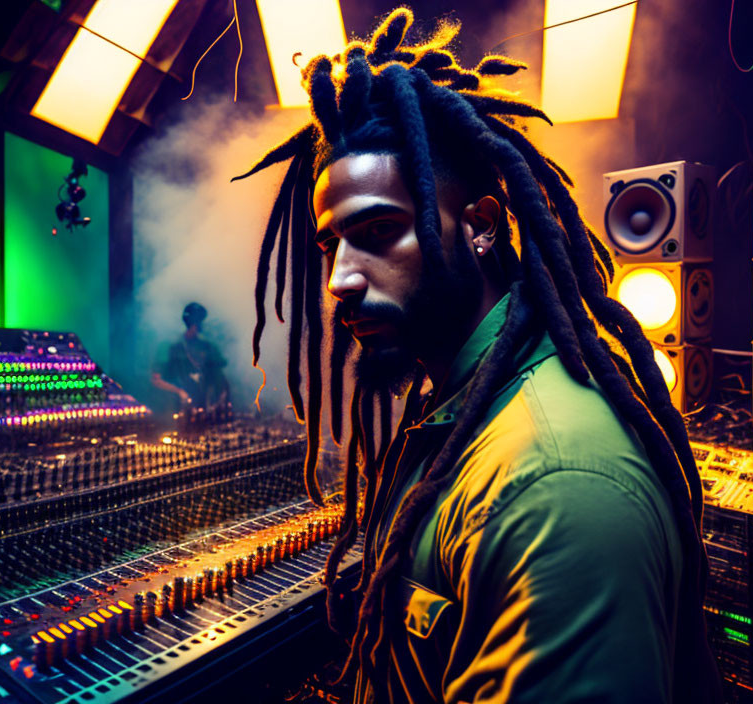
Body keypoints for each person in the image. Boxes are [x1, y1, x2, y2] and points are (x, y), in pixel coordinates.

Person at [235, 9, 722, 703]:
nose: (341, 278)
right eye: (330, 245)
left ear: (482, 227)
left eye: (378, 231)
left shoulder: (557, 486)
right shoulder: (454, 398)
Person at [151, 302, 230, 411]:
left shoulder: (208, 346)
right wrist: (179, 392)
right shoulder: (169, 347)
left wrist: (219, 400)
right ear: (195, 324)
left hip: (206, 410)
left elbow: (221, 378)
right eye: (201, 322)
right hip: (174, 410)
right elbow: (156, 380)